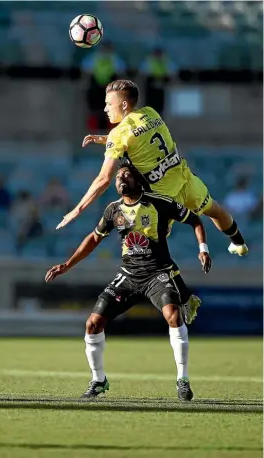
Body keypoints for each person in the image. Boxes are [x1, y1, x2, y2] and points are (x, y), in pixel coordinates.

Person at [46, 164, 212, 401]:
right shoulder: (113, 210)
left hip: (158, 273)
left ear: (139, 181)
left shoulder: (159, 202)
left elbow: (195, 220)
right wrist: (67, 265)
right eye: (118, 177)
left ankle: (182, 380)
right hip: (128, 275)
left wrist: (203, 249)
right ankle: (98, 380)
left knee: (174, 316)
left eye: (126, 176)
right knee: (92, 324)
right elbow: (94, 238)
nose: (121, 180)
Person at [56, 80, 248, 259]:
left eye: (109, 104)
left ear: (123, 105)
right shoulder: (151, 113)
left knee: (144, 252)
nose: (105, 109)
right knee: (216, 212)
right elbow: (138, 136)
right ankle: (238, 243)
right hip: (185, 179)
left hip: (162, 198)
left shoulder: (118, 135)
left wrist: (77, 210)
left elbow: (104, 179)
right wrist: (104, 139)